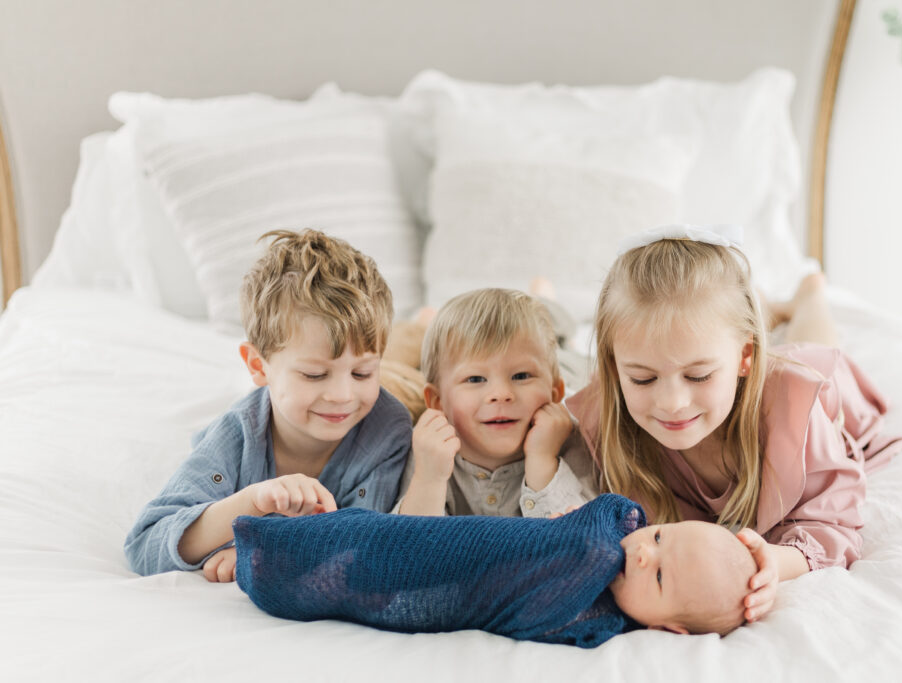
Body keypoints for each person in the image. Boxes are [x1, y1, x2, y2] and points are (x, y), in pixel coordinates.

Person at [565, 224, 902, 623]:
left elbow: (834, 524)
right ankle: (761, 312)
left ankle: (809, 296)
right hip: (741, 371)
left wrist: (773, 562)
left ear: (745, 356)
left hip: (805, 390)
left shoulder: (794, 406)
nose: (672, 403)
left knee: (815, 346)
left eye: (698, 376)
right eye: (643, 378)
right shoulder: (608, 414)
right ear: (613, 367)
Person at [124, 229, 413, 581]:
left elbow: (363, 543)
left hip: (403, 383)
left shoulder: (387, 427)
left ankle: (418, 327)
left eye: (363, 372)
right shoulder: (236, 435)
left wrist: (258, 548)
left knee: (420, 368)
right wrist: (253, 503)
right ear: (259, 367)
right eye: (314, 374)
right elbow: (144, 545)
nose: (342, 395)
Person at [232, 493, 757, 647]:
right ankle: (263, 543)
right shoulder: (608, 540)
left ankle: (264, 558)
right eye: (659, 537)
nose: (642, 553)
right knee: (361, 536)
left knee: (355, 578)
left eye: (660, 577)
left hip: (441, 593)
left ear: (668, 629)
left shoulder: (601, 620)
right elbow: (602, 514)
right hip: (440, 546)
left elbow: (539, 620)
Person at [394, 288, 599, 518]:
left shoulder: (573, 440)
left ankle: (547, 300)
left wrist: (543, 462)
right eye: (475, 379)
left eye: (521, 376)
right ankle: (424, 321)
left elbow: (585, 541)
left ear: (554, 393)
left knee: (565, 350)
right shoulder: (428, 449)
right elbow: (409, 545)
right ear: (438, 402)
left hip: (573, 369)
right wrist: (429, 478)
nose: (501, 394)